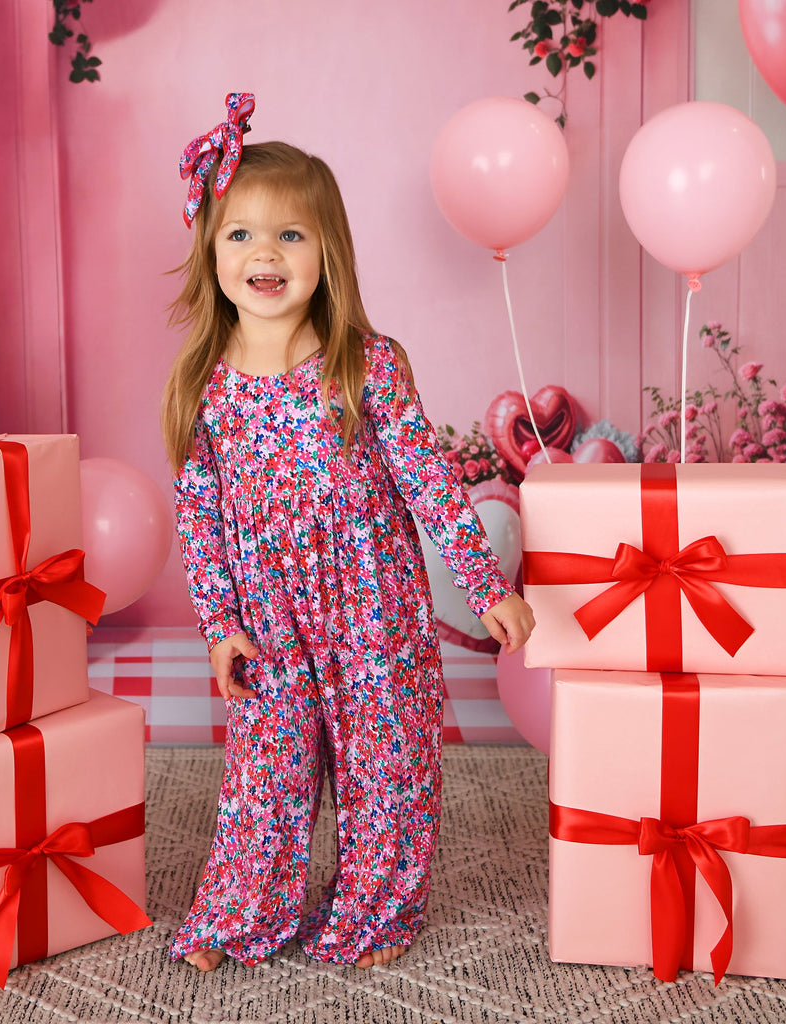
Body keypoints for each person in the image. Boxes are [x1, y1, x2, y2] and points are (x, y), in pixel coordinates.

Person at [161, 94, 535, 973]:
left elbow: (430, 482)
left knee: (385, 765)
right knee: (267, 775)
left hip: (373, 608)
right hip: (269, 619)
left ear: (326, 252)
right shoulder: (204, 386)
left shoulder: (365, 365)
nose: (264, 254)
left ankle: (376, 910)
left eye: (290, 235)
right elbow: (200, 518)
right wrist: (220, 624)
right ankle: (242, 913)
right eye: (240, 235)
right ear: (211, 251)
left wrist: (484, 583)